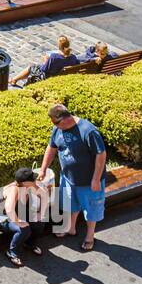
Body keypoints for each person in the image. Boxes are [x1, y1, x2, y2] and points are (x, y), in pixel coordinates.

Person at [39, 104, 106, 250]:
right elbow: (51, 148)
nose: (54, 126)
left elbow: (101, 155)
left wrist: (96, 179)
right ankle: (71, 228)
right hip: (69, 178)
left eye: (55, 123)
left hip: (89, 181)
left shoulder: (88, 131)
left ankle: (90, 235)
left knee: (91, 209)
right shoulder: (58, 129)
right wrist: (43, 169)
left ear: (64, 119)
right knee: (70, 203)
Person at [0, 168, 54, 267]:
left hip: (18, 211)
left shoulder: (30, 186)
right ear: (25, 182)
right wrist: (19, 222)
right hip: (2, 216)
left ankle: (30, 244)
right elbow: (9, 209)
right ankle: (12, 252)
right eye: (32, 179)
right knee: (24, 229)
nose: (35, 180)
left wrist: (41, 213)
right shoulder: (14, 189)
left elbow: (44, 195)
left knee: (40, 222)